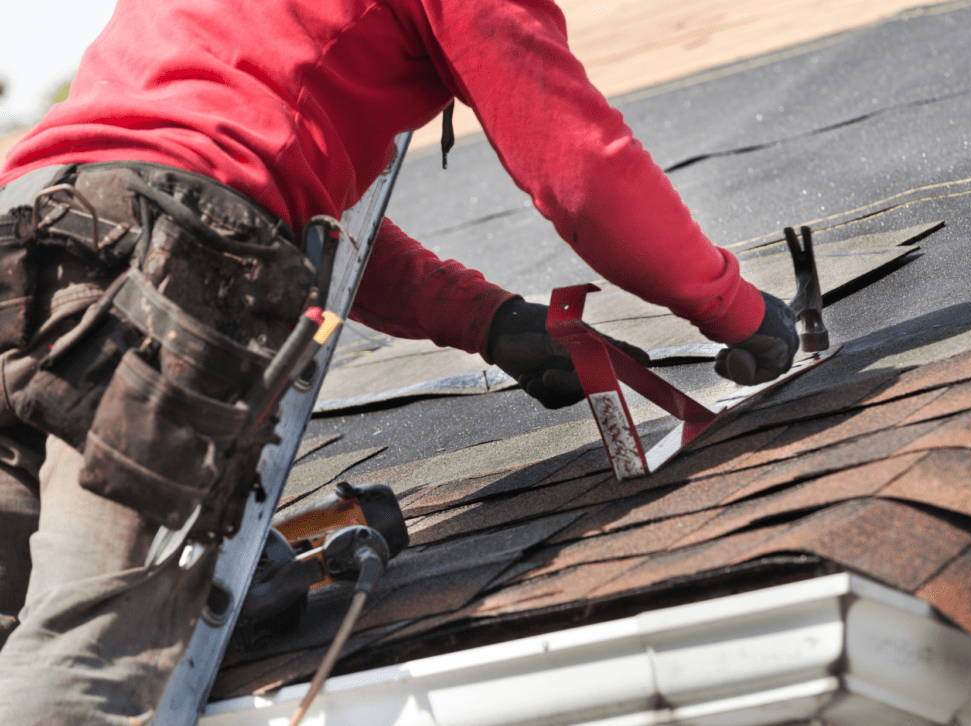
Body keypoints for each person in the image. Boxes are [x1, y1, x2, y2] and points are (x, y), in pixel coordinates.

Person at [0, 0, 798, 722]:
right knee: (89, 654)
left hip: (29, 241)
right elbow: (580, 172)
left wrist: (489, 321)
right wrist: (733, 307)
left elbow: (242, 193)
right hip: (166, 275)